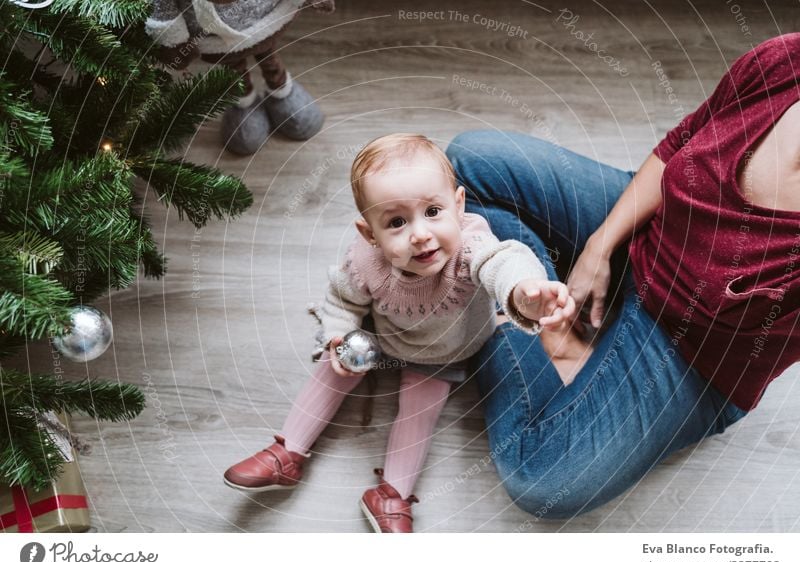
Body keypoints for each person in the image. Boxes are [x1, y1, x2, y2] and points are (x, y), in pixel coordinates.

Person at [445, 33, 800, 520]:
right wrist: (601, 244)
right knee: (467, 163)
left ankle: (534, 323)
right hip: (650, 226)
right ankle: (538, 296)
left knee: (540, 476)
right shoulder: (787, 59)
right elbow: (681, 142)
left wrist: (531, 313)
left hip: (688, 350)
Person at [223, 133, 579, 532]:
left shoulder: (470, 245)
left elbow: (502, 260)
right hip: (383, 337)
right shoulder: (365, 262)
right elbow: (342, 302)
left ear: (458, 206)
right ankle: (286, 452)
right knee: (332, 365)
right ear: (369, 233)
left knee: (419, 409)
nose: (421, 234)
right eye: (396, 222)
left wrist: (524, 288)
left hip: (446, 351)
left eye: (433, 211)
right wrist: (338, 336)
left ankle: (391, 493)